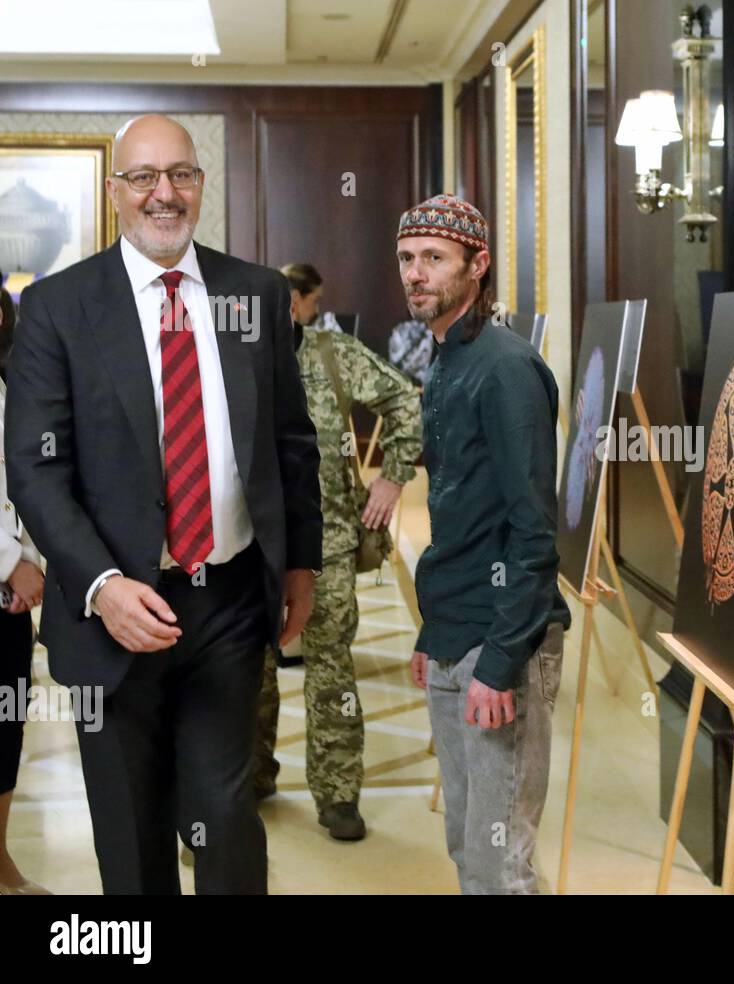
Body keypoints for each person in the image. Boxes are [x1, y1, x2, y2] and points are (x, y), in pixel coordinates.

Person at [4, 114, 322, 894]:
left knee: (224, 810)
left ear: (201, 186)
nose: (164, 193)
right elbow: (35, 471)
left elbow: (291, 441)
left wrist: (303, 563)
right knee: (132, 831)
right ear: (116, 192)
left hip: (228, 602)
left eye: (180, 174)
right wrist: (103, 587)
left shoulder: (256, 293)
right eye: (143, 177)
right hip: (110, 614)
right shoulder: (57, 307)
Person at [400, 194, 570, 894]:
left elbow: (532, 531)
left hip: (504, 638)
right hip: (455, 627)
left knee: (501, 863)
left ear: (479, 264)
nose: (417, 274)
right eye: (408, 259)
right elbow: (458, 514)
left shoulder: (505, 369)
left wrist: (498, 663)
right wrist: (432, 631)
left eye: (435, 259)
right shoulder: (441, 359)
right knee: (467, 846)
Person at [256, 265, 421, 840]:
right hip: (249, 546)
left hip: (327, 544)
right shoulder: (234, 358)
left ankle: (338, 794)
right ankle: (252, 776)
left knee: (330, 669)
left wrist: (392, 478)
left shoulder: (333, 354)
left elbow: (407, 402)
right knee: (250, 667)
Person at [0, 273, 48, 895]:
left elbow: (26, 480)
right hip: (6, 571)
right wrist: (10, 561)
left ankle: (0, 863)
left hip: (9, 593)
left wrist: (29, 559)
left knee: (5, 723)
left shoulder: (12, 384)